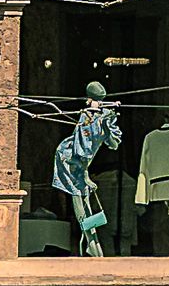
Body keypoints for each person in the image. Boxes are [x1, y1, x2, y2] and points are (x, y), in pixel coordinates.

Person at [51, 81, 124, 255]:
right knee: (79, 196)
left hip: (83, 163)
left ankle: (92, 241)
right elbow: (80, 150)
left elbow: (113, 143)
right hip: (68, 160)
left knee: (85, 198)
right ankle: (90, 243)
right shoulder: (86, 118)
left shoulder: (105, 116)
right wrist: (85, 176)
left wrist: (106, 124)